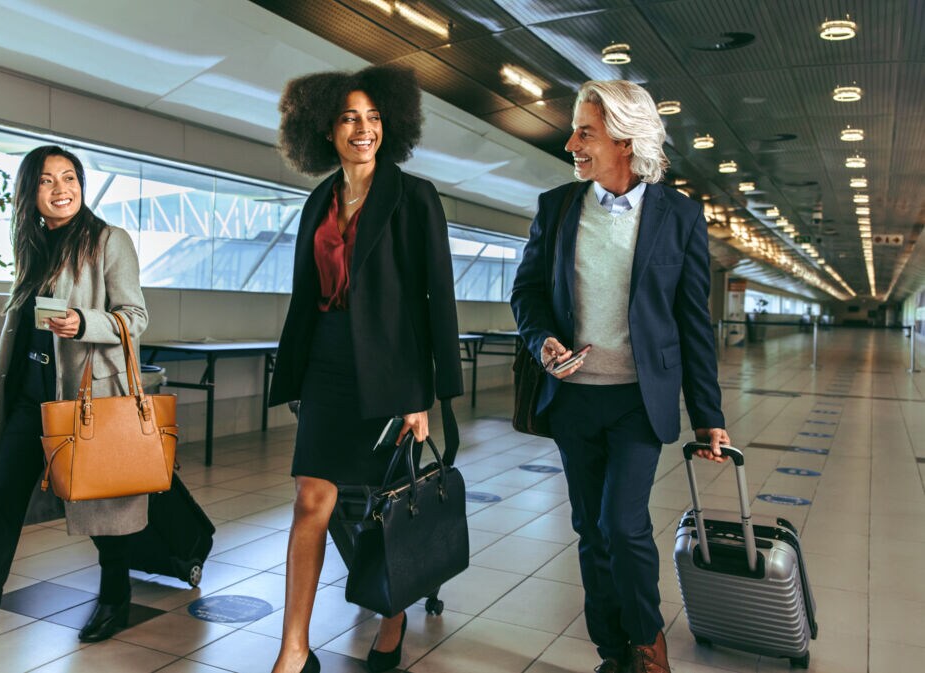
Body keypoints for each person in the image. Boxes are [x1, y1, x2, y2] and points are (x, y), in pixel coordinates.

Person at [509, 80, 731, 673]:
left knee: (621, 523)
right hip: (573, 399)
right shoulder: (557, 207)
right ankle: (612, 650)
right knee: (589, 529)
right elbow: (527, 292)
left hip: (638, 400)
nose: (571, 144)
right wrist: (541, 342)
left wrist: (709, 417)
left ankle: (646, 641)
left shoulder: (678, 216)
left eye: (586, 132)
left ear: (626, 141)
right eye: (576, 130)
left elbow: (692, 323)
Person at [0, 145, 151, 672]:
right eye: (47, 180)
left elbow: (134, 317)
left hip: (83, 399)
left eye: (70, 178)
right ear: (31, 193)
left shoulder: (110, 240)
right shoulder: (33, 243)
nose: (61, 188)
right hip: (28, 400)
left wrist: (84, 323)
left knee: (98, 507)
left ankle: (116, 595)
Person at [267, 65, 463, 673]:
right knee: (311, 501)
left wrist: (425, 394)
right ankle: (294, 649)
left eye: (374, 117)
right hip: (327, 363)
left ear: (390, 126)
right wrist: (296, 372)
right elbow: (305, 294)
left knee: (388, 506)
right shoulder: (317, 199)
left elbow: (437, 298)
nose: (363, 128)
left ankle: (393, 619)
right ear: (325, 128)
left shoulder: (414, 196)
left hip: (390, 371)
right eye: (350, 117)